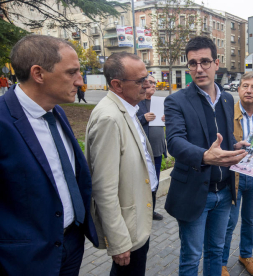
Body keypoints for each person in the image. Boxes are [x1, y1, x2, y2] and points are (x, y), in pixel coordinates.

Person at [0, 35, 98, 275]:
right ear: (39, 74)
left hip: (71, 244)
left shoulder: (57, 112)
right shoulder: (3, 122)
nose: (80, 81)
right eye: (71, 72)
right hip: (24, 260)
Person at [164, 36, 249, 276]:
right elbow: (175, 142)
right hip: (194, 192)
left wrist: (235, 144)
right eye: (192, 63)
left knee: (216, 252)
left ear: (216, 63)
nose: (199, 68)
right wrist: (204, 156)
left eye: (204, 61)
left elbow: (223, 137)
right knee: (191, 256)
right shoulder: (176, 101)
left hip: (223, 191)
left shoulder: (226, 97)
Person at [85, 53, 155, 276]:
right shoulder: (109, 118)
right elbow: (104, 188)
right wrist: (118, 241)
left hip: (136, 219)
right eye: (140, 81)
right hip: (127, 229)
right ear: (117, 85)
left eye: (147, 77)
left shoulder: (128, 108)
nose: (147, 84)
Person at [222, 72, 253, 276]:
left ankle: (246, 255)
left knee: (250, 220)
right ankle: (221, 262)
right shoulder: (227, 112)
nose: (248, 90)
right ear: (239, 88)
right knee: (229, 222)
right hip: (233, 176)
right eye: (244, 86)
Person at [137, 74, 167, 221]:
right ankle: (142, 212)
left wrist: (166, 119)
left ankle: (151, 211)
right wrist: (143, 118)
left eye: (155, 83)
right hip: (144, 152)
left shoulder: (158, 102)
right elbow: (130, 122)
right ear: (143, 84)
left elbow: (166, 120)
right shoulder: (137, 103)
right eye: (150, 82)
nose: (153, 85)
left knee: (154, 182)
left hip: (157, 150)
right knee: (143, 183)